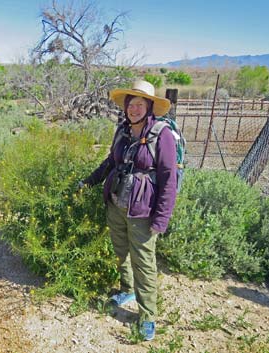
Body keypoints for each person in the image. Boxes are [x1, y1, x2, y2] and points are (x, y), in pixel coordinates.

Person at [79, 80, 177, 341]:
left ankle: (147, 315)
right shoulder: (122, 131)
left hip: (142, 210)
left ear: (149, 107)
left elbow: (169, 178)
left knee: (144, 261)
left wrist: (162, 217)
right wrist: (89, 181)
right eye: (130, 104)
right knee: (121, 250)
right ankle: (127, 288)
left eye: (139, 104)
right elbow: (111, 161)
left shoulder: (162, 134)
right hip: (116, 203)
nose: (134, 109)